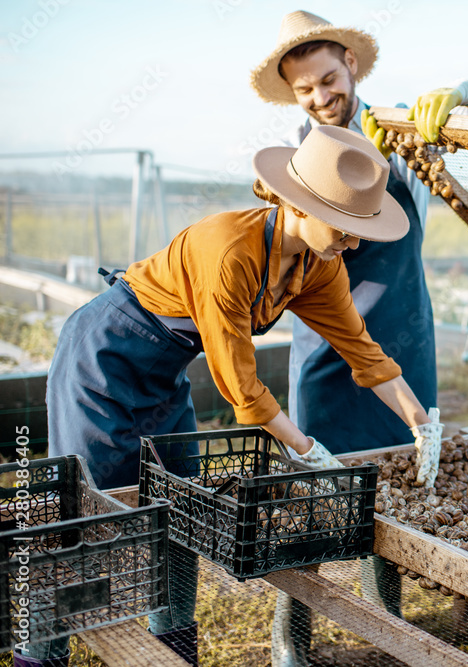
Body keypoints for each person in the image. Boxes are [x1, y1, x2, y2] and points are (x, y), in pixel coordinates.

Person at [38, 125, 442, 667]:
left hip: (163, 374)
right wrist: (305, 448)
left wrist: (422, 422)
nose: (355, 242)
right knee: (84, 518)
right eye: (345, 226)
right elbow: (241, 388)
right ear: (300, 204)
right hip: (105, 358)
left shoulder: (317, 267)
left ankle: (174, 649)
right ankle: (41, 652)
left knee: (176, 505)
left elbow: (362, 351)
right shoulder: (229, 251)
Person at [250, 11, 468, 667]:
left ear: (348, 62)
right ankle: (294, 640)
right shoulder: (293, 150)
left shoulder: (402, 127)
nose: (320, 96)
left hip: (400, 335)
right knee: (310, 487)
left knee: (388, 488)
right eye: (305, 88)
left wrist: (457, 94)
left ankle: (388, 626)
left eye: (328, 78)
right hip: (322, 347)